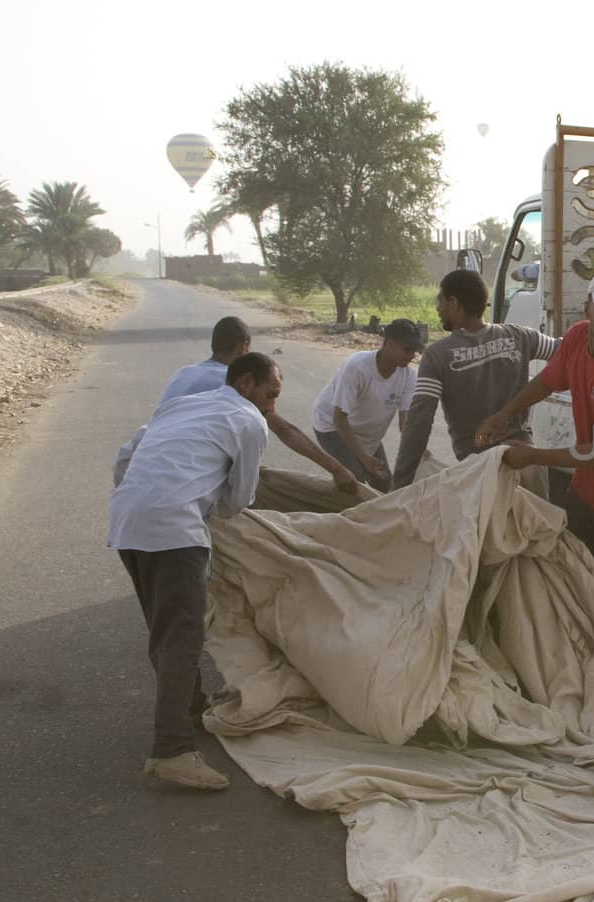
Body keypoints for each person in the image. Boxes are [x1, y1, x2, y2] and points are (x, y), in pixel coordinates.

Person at [476, 268, 594, 688]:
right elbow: (547, 380)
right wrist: (505, 414)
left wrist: (531, 456)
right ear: (588, 309)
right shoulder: (578, 338)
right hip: (587, 487)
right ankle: (580, 652)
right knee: (573, 568)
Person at [109, 352, 279, 791]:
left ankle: (189, 708)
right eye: (270, 394)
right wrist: (205, 502)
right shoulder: (248, 421)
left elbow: (124, 459)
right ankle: (171, 750)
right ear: (247, 384)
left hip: (128, 520)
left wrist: (149, 495)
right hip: (175, 529)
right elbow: (239, 499)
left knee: (163, 630)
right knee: (183, 637)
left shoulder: (182, 404)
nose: (272, 407)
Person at [392, 269, 561, 489]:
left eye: (440, 301)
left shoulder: (438, 355)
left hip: (482, 475)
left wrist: (399, 485)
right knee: (541, 522)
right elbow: (566, 352)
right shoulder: (520, 336)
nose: (437, 308)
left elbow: (419, 423)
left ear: (454, 303)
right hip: (527, 464)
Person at [156, 315, 359, 494]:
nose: (270, 405)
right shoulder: (232, 384)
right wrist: (337, 469)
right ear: (244, 346)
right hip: (184, 484)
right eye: (270, 396)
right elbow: (286, 431)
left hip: (149, 465)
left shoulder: (183, 374)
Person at [309, 319, 424, 492]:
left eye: (415, 351)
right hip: (332, 426)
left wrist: (418, 449)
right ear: (390, 344)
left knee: (387, 488)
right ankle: (334, 515)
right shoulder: (357, 367)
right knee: (354, 480)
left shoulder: (409, 376)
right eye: (407, 350)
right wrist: (363, 458)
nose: (412, 356)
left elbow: (405, 422)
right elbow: (339, 418)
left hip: (367, 434)